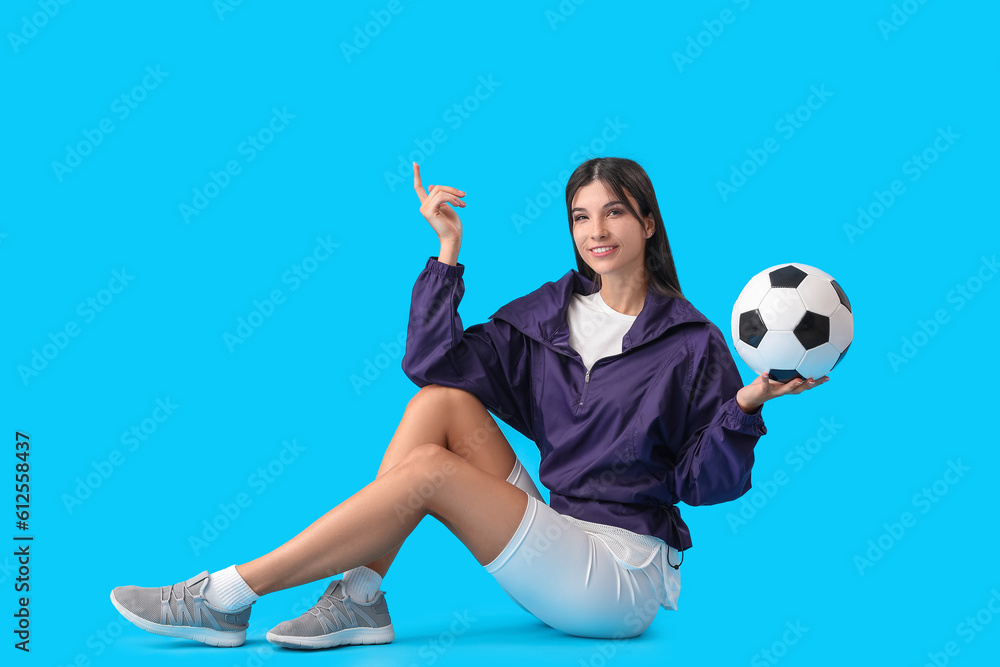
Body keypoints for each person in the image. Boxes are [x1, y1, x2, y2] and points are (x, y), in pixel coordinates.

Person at [109, 157, 828, 649]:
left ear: (647, 223)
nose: (597, 231)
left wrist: (748, 400)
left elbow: (703, 485)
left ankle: (227, 594)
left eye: (614, 213)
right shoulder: (550, 314)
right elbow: (431, 364)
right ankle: (361, 592)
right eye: (581, 216)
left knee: (430, 473)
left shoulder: (691, 340)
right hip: (554, 530)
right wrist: (448, 252)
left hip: (616, 577)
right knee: (441, 404)